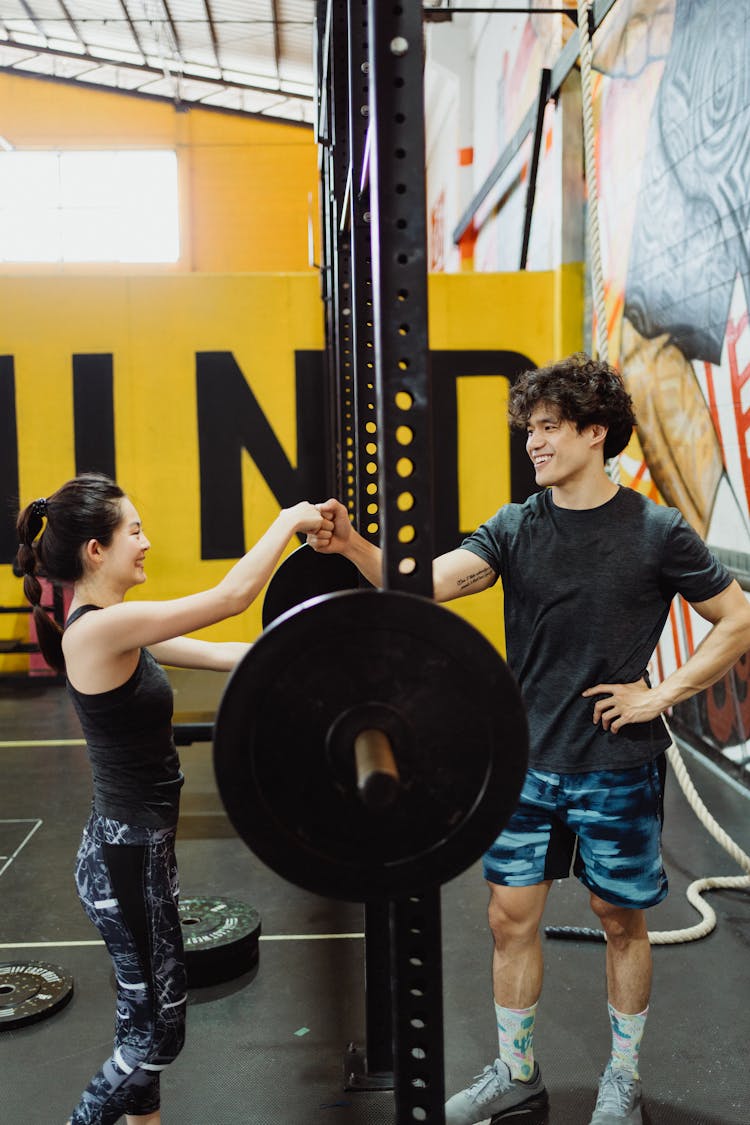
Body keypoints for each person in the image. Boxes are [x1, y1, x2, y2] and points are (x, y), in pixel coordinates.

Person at [307, 353, 750, 1125]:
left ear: (594, 431)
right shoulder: (515, 527)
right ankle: (516, 1070)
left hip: (617, 764)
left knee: (621, 920)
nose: (534, 443)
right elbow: (423, 583)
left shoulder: (656, 530)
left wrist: (663, 693)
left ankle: (623, 1079)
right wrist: (351, 545)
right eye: (530, 429)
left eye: (549, 428)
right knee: (509, 917)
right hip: (527, 764)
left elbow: (737, 617)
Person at [15, 473, 330, 1125]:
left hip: (132, 852)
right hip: (124, 860)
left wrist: (325, 648)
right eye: (134, 530)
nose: (147, 541)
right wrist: (290, 518)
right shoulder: (99, 630)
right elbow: (232, 595)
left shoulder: (117, 626)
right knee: (159, 1032)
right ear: (96, 550)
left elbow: (222, 649)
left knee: (142, 1016)